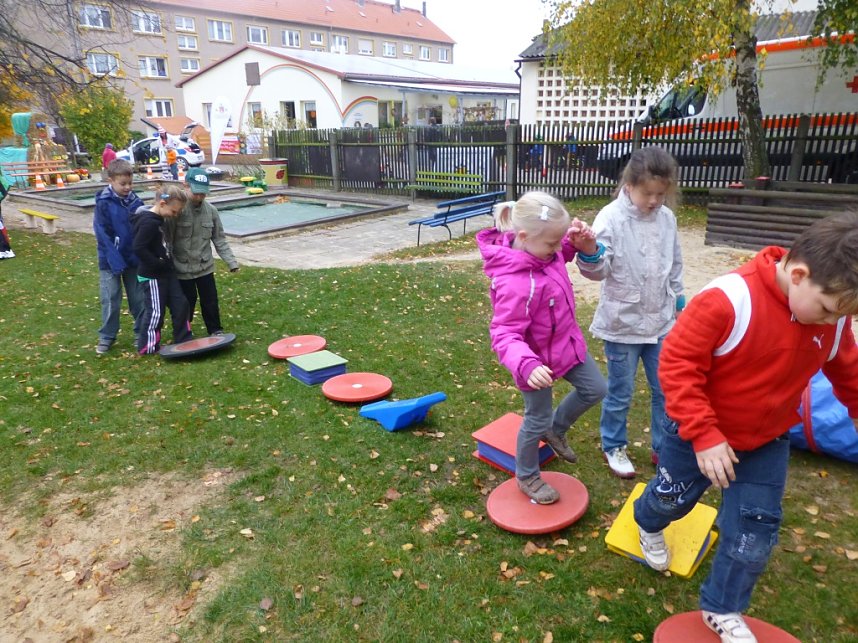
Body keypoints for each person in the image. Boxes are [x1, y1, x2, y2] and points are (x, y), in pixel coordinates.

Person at [633, 212, 858, 642]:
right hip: (696, 433)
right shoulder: (727, 300)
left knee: (755, 529)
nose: (832, 323)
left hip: (767, 440)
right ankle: (648, 520)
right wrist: (704, 434)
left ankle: (722, 606)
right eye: (828, 310)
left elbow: (849, 371)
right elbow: (677, 366)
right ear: (798, 274)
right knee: (671, 501)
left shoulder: (836, 318)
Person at [476, 191, 608, 504]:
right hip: (534, 365)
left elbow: (564, 250)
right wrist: (526, 365)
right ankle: (528, 476)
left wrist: (578, 241)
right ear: (523, 236)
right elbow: (505, 332)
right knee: (535, 419)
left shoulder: (545, 253)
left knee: (596, 388)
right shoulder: (515, 282)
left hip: (566, 346)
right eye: (551, 243)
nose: (556, 249)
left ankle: (556, 429)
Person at [579, 146, 685, 478]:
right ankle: (614, 445)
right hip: (623, 324)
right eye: (647, 193)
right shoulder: (610, 217)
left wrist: (678, 299)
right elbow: (599, 270)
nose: (654, 200)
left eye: (660, 194)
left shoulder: (667, 218)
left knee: (665, 389)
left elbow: (675, 262)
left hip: (661, 322)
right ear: (629, 184)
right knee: (620, 391)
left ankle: (662, 446)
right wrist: (590, 252)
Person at [167, 168, 239, 336]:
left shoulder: (211, 211)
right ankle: (184, 331)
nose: (199, 197)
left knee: (210, 301)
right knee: (186, 302)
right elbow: (168, 240)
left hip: (205, 266)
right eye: (196, 193)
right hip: (182, 268)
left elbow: (219, 239)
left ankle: (215, 330)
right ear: (186, 186)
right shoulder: (177, 210)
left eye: (203, 194)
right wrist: (167, 265)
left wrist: (231, 262)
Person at [131, 185, 192, 355]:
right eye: (174, 211)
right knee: (156, 311)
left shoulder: (159, 220)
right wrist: (157, 263)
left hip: (167, 272)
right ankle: (148, 346)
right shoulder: (148, 222)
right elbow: (138, 248)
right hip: (152, 276)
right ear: (163, 203)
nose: (176, 215)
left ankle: (184, 338)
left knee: (181, 304)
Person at [93, 159, 145, 354]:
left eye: (130, 183)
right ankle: (107, 335)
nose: (127, 187)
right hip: (109, 261)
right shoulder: (103, 203)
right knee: (111, 298)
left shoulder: (135, 202)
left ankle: (141, 333)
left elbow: (141, 228)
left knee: (138, 297)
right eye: (123, 184)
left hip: (133, 260)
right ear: (111, 180)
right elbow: (102, 234)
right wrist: (114, 259)